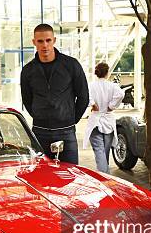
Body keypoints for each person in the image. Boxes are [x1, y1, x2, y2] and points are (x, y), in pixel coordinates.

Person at [20, 24, 89, 164]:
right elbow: (27, 99)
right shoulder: (28, 70)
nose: (44, 45)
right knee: (41, 179)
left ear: (54, 40)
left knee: (70, 175)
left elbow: (83, 97)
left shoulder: (71, 65)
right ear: (34, 42)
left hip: (66, 132)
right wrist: (40, 115)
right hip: (40, 132)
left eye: (48, 40)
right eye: (40, 41)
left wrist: (70, 119)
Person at [83, 63, 125, 173]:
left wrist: (92, 104)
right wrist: (111, 106)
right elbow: (121, 94)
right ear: (107, 73)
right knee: (105, 153)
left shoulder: (91, 85)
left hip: (95, 121)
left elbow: (85, 95)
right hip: (108, 121)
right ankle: (106, 175)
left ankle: (104, 177)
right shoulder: (112, 86)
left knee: (99, 152)